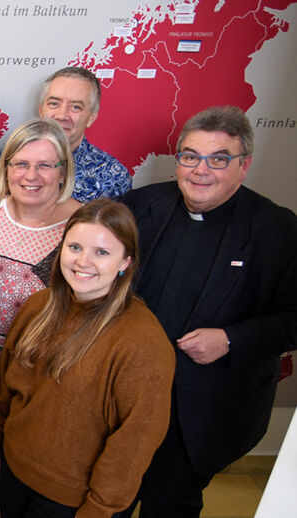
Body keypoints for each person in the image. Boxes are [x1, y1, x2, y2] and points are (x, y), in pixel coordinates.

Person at [124, 105, 297, 517]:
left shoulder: (278, 229)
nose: (201, 170)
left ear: (243, 165)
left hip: (202, 410)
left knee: (171, 504)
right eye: (190, 156)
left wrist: (231, 339)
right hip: (129, 394)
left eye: (219, 158)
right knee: (112, 493)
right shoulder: (138, 206)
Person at [0, 199, 176, 517]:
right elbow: (6, 384)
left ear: (125, 261)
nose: (83, 262)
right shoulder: (39, 306)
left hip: (72, 500)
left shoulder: (142, 341)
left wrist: (100, 509)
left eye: (102, 252)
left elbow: (135, 441)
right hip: (15, 472)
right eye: (74, 247)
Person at [0, 118, 83, 516]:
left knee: (21, 470)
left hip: (35, 375)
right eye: (20, 163)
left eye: (45, 165)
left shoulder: (82, 226)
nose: (31, 176)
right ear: (6, 168)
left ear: (63, 170)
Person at [0, 67, 130, 202]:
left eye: (75, 107)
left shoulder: (113, 176)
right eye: (54, 104)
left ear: (91, 117)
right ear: (41, 110)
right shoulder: (4, 160)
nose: (61, 115)